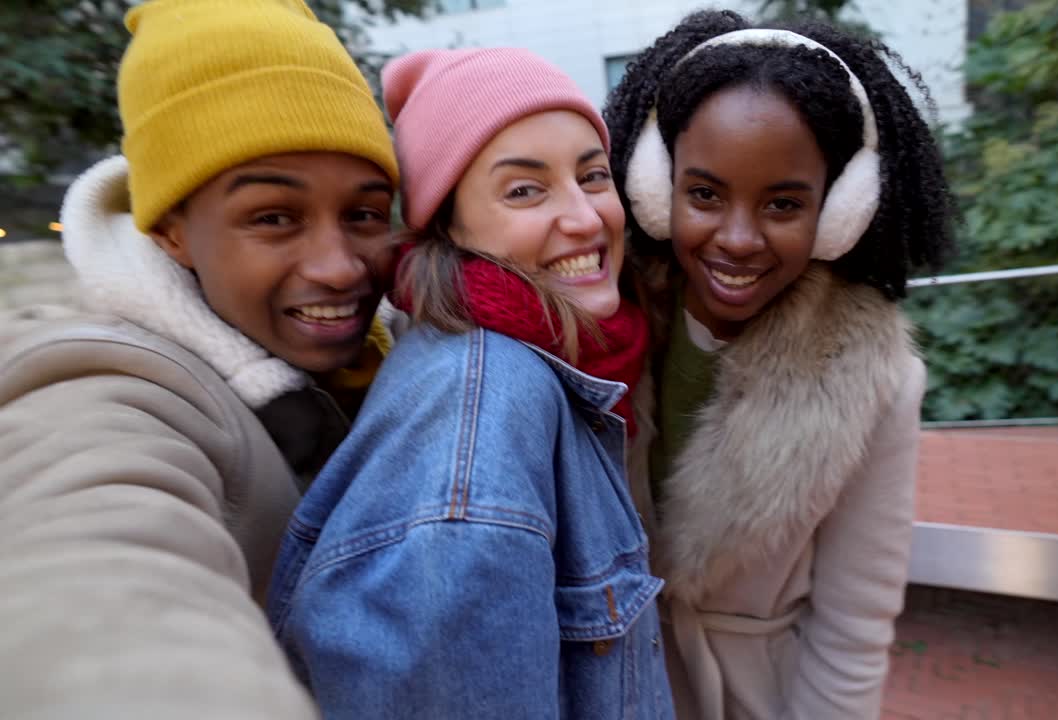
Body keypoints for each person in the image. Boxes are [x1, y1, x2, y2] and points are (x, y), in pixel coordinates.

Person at [0, 1, 399, 716]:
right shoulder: (110, 387)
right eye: (273, 217)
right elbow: (98, 574)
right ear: (171, 232)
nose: (340, 267)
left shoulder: (398, 354)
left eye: (364, 213)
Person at [268, 47, 674, 719]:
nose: (584, 218)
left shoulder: (561, 356)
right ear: (449, 224)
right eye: (525, 190)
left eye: (593, 175)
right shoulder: (481, 413)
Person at [603, 9, 954, 719]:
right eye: (703, 194)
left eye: (783, 204)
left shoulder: (876, 382)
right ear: (654, 188)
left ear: (842, 212)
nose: (737, 239)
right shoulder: (597, 329)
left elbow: (853, 630)